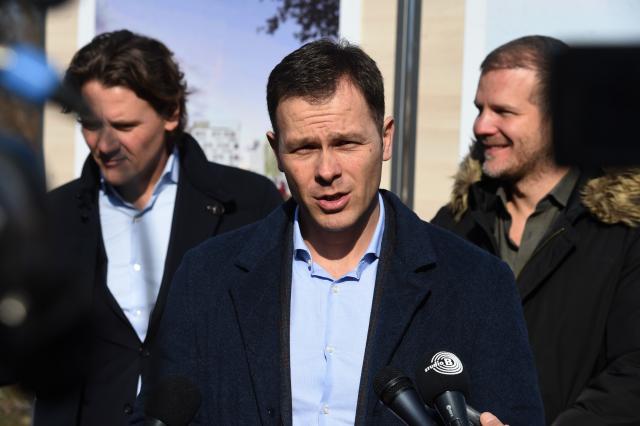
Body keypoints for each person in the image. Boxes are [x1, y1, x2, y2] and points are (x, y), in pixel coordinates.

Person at [146, 39, 544, 425]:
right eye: (304, 148)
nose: (327, 171)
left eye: (347, 143)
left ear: (385, 138)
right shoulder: (206, 277)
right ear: (276, 150)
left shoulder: (477, 283)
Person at [36, 29, 283, 425]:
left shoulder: (250, 203)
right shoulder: (51, 215)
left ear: (171, 114)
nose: (104, 145)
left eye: (123, 125)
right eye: (90, 124)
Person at [432, 35, 640, 425]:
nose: (481, 126)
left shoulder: (625, 230)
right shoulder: (454, 224)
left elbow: (633, 374)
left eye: (503, 111)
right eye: (480, 109)